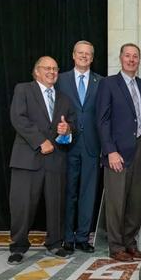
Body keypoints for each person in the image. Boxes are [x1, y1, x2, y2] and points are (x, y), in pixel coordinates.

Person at [8, 56, 75, 265]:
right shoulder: (23, 90)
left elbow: (70, 124)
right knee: (22, 205)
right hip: (27, 158)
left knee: (56, 204)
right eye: (47, 68)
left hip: (55, 160)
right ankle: (18, 246)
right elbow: (18, 118)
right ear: (36, 71)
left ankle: (54, 243)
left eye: (55, 68)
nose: (52, 72)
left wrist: (68, 130)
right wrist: (40, 141)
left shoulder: (64, 99)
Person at [96, 43, 141, 262]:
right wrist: (110, 151)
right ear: (120, 58)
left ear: (139, 60)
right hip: (117, 151)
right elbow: (102, 121)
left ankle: (130, 243)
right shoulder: (108, 84)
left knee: (135, 200)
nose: (131, 59)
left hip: (140, 148)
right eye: (127, 56)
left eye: (135, 56)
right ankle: (116, 246)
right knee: (116, 200)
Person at [56, 40, 103, 254]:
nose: (84, 56)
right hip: (67, 145)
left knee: (88, 192)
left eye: (88, 54)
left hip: (92, 145)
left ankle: (83, 237)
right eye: (80, 53)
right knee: (68, 192)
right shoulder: (61, 79)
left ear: (92, 58)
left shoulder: (100, 82)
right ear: (73, 55)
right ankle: (67, 237)